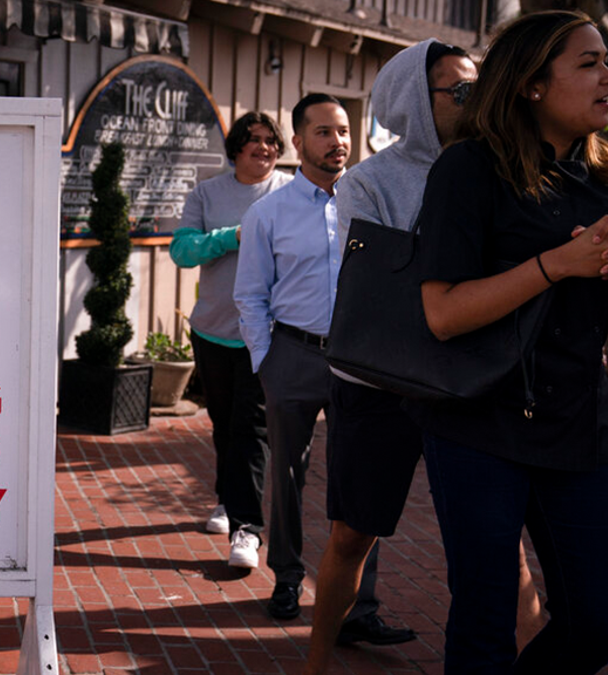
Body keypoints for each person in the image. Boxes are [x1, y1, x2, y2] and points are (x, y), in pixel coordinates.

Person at [413, 11, 608, 673]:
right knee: (486, 621)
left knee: (598, 621)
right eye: (589, 63)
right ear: (532, 84)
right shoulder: (469, 171)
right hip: (478, 426)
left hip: (579, 429)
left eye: (607, 61)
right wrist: (557, 264)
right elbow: (442, 313)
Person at [305, 41, 510, 672]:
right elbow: (379, 288)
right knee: (351, 535)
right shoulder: (368, 180)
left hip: (467, 379)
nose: (475, 101)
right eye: (460, 91)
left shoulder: (503, 168)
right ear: (414, 104)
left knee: (503, 548)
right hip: (377, 380)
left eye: (479, 87)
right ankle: (315, 662)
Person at [234, 93, 349, 620]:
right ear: (298, 143)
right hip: (293, 356)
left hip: (357, 362)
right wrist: (266, 362)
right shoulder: (268, 213)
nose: (338, 141)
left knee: (360, 479)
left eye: (344, 130)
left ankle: (358, 602)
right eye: (324, 132)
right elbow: (251, 294)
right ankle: (286, 575)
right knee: (288, 475)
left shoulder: (367, 205)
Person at [170, 112, 293, 568]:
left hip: (269, 333)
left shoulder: (290, 192)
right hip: (213, 330)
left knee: (250, 428)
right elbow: (182, 251)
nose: (263, 148)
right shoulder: (207, 193)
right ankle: (226, 499)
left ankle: (247, 529)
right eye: (253, 141)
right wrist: (232, 236)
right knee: (224, 423)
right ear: (236, 147)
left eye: (271, 142)